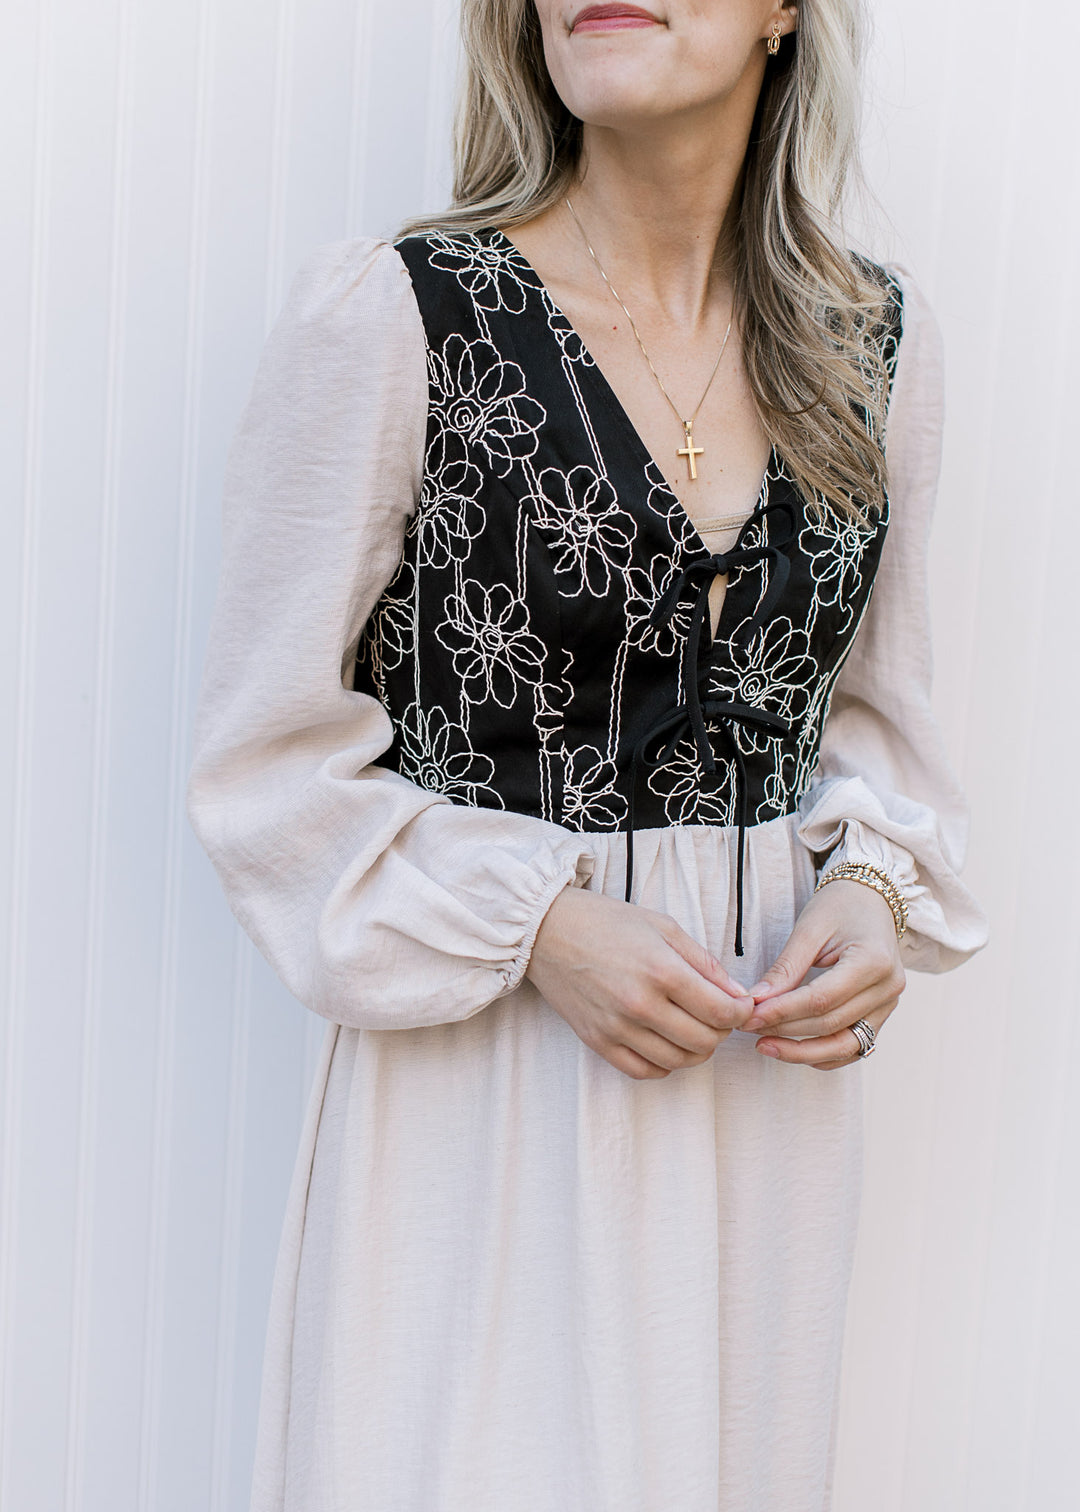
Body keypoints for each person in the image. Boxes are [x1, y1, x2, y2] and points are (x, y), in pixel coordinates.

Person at [188, 1, 988, 1507]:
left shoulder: (873, 344)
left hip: (760, 1119)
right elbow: (265, 765)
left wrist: (872, 894)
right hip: (478, 1112)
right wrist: (541, 923)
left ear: (783, 16)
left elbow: (887, 723)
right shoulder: (398, 314)